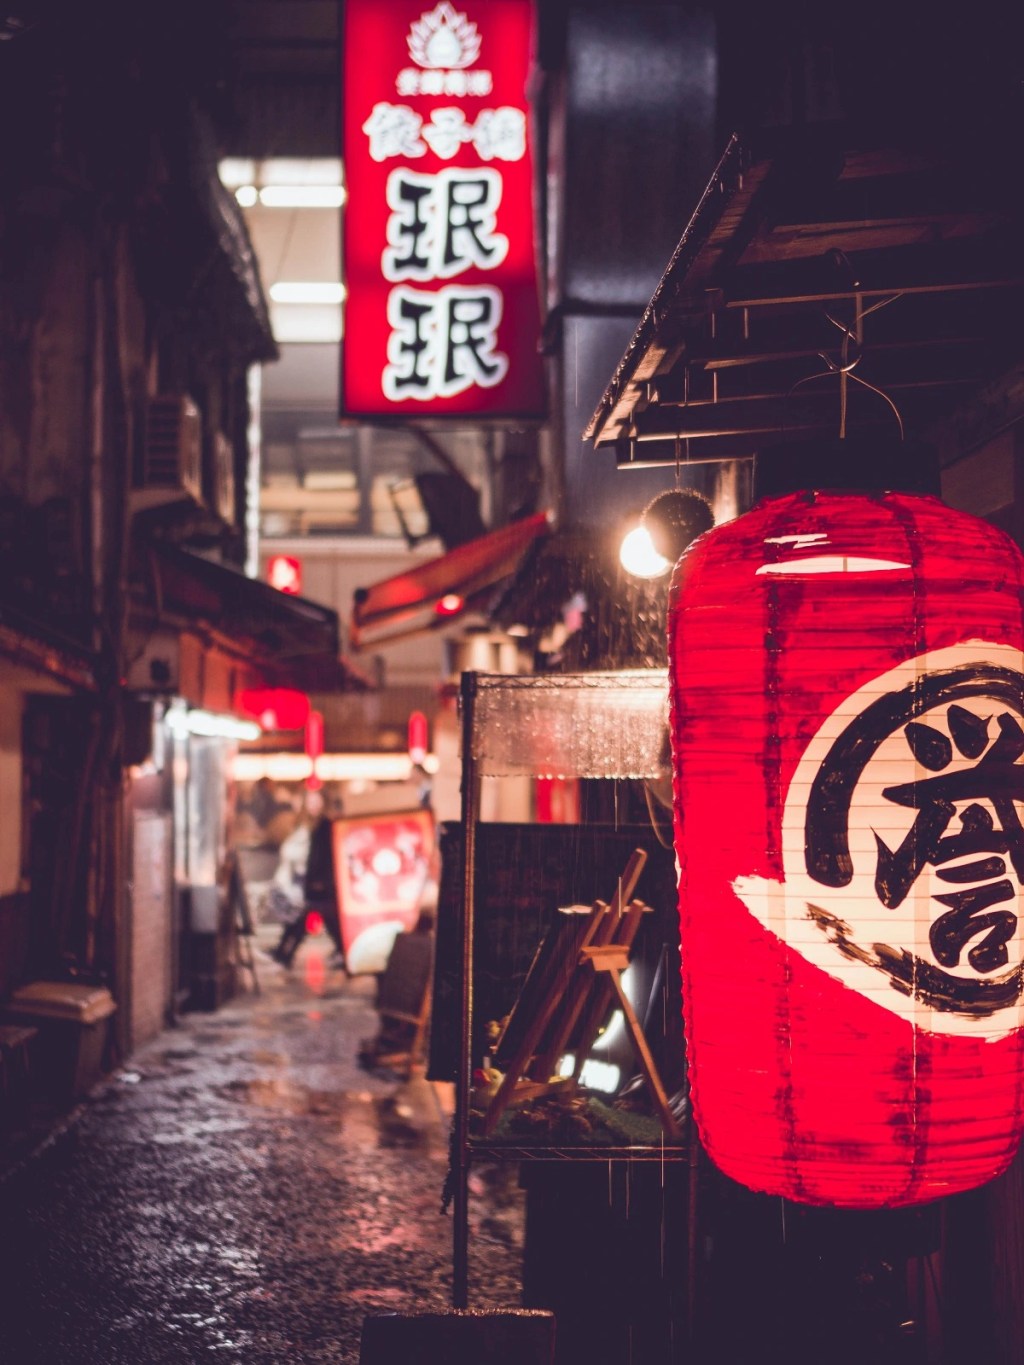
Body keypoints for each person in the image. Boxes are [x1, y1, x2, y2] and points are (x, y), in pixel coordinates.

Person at [271, 792, 345, 969]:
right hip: (310, 882)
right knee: (305, 919)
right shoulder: (305, 825)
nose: (314, 806)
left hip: (320, 883)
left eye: (317, 802)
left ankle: (283, 954)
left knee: (309, 918)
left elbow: (325, 857)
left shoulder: (325, 826)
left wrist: (321, 880)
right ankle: (283, 954)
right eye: (311, 802)